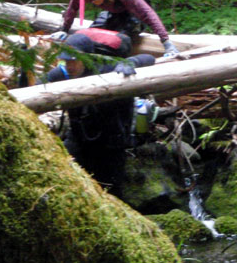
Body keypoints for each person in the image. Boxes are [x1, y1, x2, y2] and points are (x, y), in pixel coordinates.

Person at [42, 33, 155, 198]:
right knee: (64, 177)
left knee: (110, 192)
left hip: (111, 143)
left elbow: (149, 58)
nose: (69, 66)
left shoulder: (107, 67)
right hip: (79, 139)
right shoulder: (63, 73)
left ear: (87, 58)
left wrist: (130, 62)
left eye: (73, 61)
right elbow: (38, 86)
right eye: (66, 61)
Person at [56, 0, 179, 57]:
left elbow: (147, 13)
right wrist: (64, 30)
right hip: (112, 14)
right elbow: (73, 6)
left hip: (133, 15)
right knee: (88, 39)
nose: (93, 2)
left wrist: (166, 42)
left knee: (119, 44)